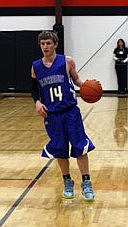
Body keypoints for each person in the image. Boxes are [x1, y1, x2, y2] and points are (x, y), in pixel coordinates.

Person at [31, 31, 95, 201]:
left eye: (48, 43)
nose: (45, 46)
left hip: (70, 112)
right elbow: (33, 89)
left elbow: (77, 80)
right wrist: (37, 102)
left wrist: (89, 86)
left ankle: (86, 183)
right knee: (60, 149)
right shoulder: (36, 66)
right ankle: (67, 181)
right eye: (43, 43)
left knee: (80, 146)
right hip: (52, 115)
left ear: (55, 44)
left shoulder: (67, 61)